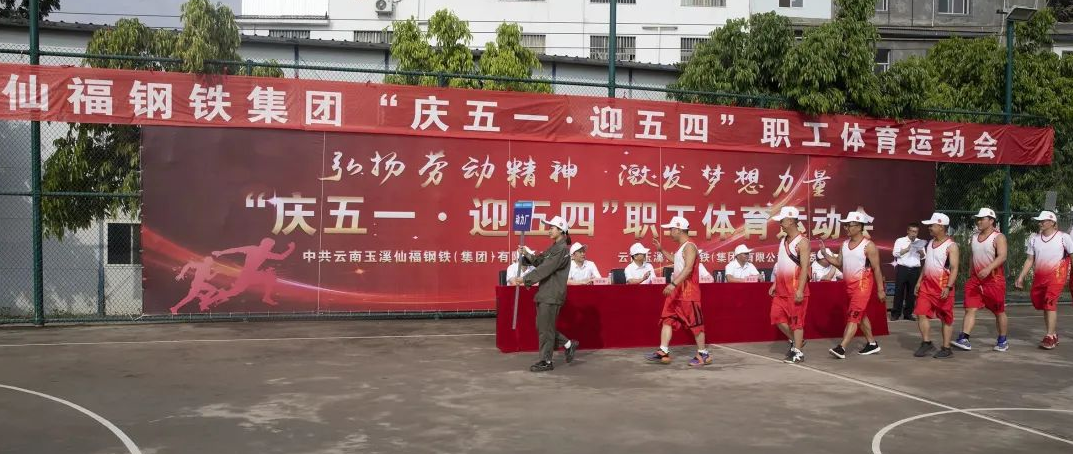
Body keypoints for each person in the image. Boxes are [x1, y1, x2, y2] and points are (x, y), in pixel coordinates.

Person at [510, 216, 578, 372]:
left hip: (552, 293)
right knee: (543, 327)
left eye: (552, 228)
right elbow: (540, 261)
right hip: (546, 292)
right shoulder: (554, 248)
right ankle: (568, 344)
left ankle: (546, 361)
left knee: (545, 329)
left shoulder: (562, 250)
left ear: (561, 230)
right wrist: (527, 254)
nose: (549, 230)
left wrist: (524, 279)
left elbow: (545, 268)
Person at [644, 216, 711, 367]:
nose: (669, 232)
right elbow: (676, 261)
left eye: (671, 229)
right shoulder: (682, 247)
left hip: (688, 293)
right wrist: (661, 250)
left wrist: (673, 284)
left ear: (679, 230)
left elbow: (688, 268)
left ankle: (703, 354)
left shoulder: (690, 246)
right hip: (677, 293)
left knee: (696, 324)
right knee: (667, 319)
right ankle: (663, 351)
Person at [820, 210, 885, 359]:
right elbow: (839, 263)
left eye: (849, 225)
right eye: (846, 225)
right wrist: (825, 255)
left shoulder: (868, 246)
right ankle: (872, 344)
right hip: (849, 286)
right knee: (860, 316)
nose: (847, 228)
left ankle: (842, 347)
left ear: (859, 226)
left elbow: (876, 268)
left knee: (853, 316)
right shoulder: (844, 244)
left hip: (863, 286)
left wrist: (880, 289)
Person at [1015, 210, 1073, 350]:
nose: (1040, 223)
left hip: (1057, 276)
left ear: (1052, 222)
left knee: (1049, 302)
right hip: (1040, 277)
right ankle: (1053, 334)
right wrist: (1021, 277)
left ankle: (1049, 336)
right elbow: (1030, 260)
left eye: (1043, 221)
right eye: (1039, 221)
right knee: (1042, 304)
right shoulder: (1034, 239)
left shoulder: (1063, 237)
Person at [953, 208, 1009, 352]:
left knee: (999, 311)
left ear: (991, 221)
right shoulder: (974, 237)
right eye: (977, 219)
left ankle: (1002, 340)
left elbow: (1002, 256)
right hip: (976, 280)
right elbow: (973, 255)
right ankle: (964, 338)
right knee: (970, 308)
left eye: (982, 219)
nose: (978, 221)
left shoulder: (998, 237)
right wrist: (971, 272)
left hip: (994, 281)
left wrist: (988, 268)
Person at [913, 213, 960, 359]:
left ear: (941, 226)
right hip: (927, 287)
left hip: (942, 288)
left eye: (932, 225)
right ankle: (926, 343)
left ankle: (946, 348)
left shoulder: (951, 246)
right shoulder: (930, 243)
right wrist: (919, 281)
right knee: (921, 313)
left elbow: (954, 268)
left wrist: (948, 287)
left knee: (946, 318)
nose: (929, 228)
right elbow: (927, 265)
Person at [769, 206, 810, 364]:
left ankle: (798, 352)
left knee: (796, 322)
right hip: (781, 290)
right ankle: (797, 342)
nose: (780, 223)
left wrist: (800, 289)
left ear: (791, 221)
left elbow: (805, 268)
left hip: (795, 289)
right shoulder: (783, 241)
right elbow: (781, 265)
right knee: (776, 318)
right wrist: (775, 283)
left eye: (783, 220)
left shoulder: (803, 242)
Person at [891, 223, 925, 321]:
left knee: (912, 293)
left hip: (915, 269)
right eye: (912, 231)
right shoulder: (900, 240)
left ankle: (908, 313)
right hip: (903, 268)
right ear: (908, 231)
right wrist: (907, 249)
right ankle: (896, 313)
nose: (914, 234)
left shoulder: (920, 242)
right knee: (899, 291)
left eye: (916, 232)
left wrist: (920, 251)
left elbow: (923, 257)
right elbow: (895, 253)